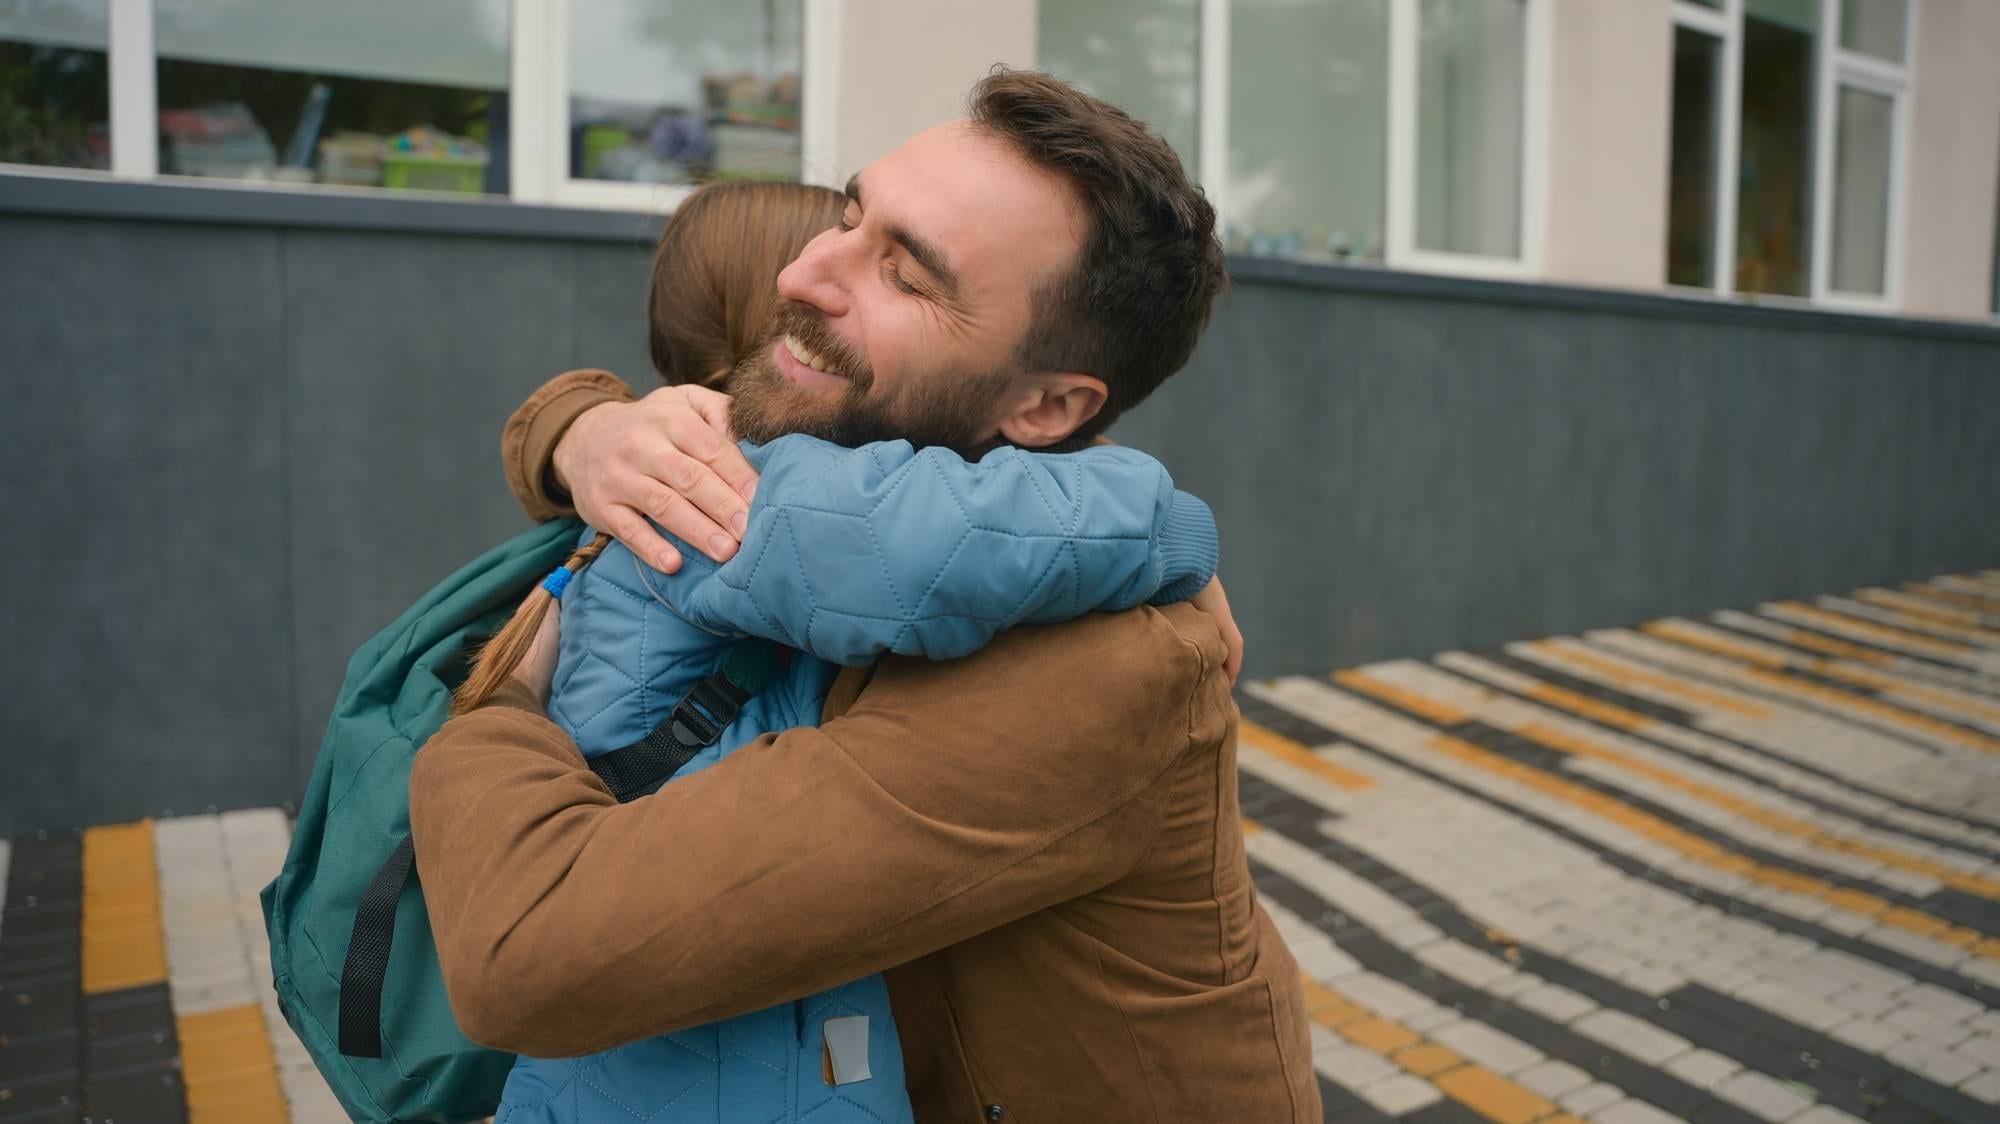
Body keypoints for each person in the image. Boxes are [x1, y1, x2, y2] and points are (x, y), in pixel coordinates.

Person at [411, 69, 1318, 1121]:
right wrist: (582, 432)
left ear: (1049, 406)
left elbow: (531, 950)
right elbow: (726, 403)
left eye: (910, 273)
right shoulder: (902, 465)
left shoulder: (1095, 671)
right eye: (850, 215)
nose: (801, 272)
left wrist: (494, 710)